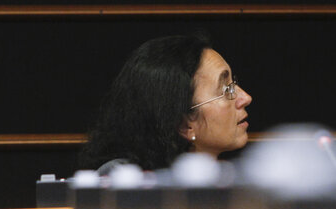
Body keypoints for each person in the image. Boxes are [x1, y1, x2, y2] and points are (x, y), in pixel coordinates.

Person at [80, 33, 252, 173]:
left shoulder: (229, 177)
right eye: (226, 90)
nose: (245, 97)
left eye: (233, 83)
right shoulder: (124, 182)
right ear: (184, 125)